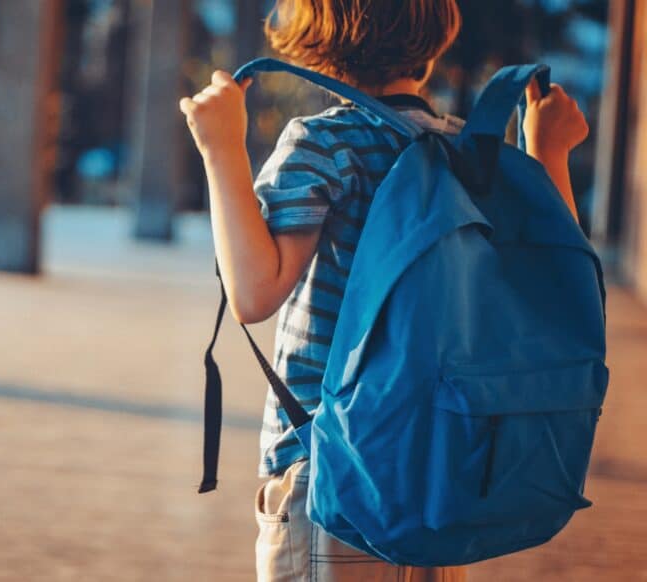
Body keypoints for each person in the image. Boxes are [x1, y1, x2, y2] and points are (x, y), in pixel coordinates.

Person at [178, 1, 590, 580]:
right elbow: (550, 287)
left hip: (335, 473)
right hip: (444, 470)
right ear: (433, 43)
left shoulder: (324, 144)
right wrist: (549, 154)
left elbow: (254, 293)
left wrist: (220, 149)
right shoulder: (469, 154)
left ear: (314, 39)